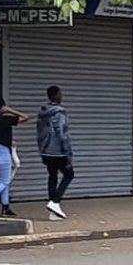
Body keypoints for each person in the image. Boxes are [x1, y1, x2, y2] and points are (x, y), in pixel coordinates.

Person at [37, 85, 74, 220]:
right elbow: (62, 134)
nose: (61, 96)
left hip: (46, 151)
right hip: (58, 152)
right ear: (56, 96)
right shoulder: (59, 113)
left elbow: (39, 134)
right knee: (69, 174)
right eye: (60, 94)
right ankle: (55, 202)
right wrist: (68, 155)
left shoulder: (42, 113)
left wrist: (42, 150)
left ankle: (53, 213)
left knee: (52, 176)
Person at [0, 96, 29, 218]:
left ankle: (5, 207)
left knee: (4, 181)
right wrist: (10, 110)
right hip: (3, 153)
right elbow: (25, 117)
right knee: (4, 181)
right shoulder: (6, 119)